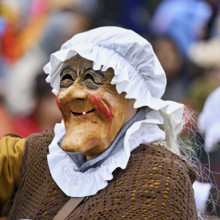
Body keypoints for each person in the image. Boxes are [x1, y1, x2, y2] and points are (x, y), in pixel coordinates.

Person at [0, 26, 197, 219]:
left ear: (132, 95)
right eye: (67, 79)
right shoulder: (39, 153)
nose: (70, 93)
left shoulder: (162, 180)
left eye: (91, 79)